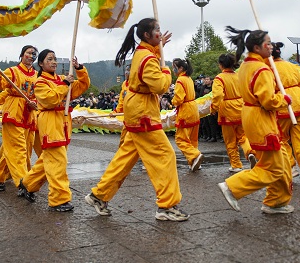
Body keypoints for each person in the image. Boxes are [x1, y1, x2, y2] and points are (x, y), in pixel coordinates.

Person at [84, 18, 189, 222]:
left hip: (138, 109)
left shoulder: (144, 54)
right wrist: (166, 69)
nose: (160, 32)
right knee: (165, 155)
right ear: (147, 36)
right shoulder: (148, 58)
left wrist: (159, 50)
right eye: (156, 30)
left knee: (126, 157)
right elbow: (160, 85)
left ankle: (99, 195)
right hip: (143, 113)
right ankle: (167, 206)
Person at [218, 27, 293, 215]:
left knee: (281, 160)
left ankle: (276, 201)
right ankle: (233, 187)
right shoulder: (260, 68)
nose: (271, 46)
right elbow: (267, 100)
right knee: (274, 168)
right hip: (260, 118)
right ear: (257, 48)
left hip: (252, 115)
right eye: (268, 43)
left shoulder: (246, 65)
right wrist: (284, 100)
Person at [18, 49, 90, 211]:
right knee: (57, 162)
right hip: (50, 122)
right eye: (49, 59)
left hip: (63, 123)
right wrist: (65, 85)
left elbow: (83, 86)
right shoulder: (41, 82)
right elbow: (50, 100)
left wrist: (79, 69)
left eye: (55, 59)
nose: (54, 62)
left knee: (48, 160)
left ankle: (27, 184)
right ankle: (58, 199)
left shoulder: (63, 79)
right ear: (41, 64)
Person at [0, 45, 39, 192]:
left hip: (29, 116)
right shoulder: (12, 71)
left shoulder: (37, 75)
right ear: (22, 55)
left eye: (34, 54)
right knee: (18, 150)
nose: (31, 55)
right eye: (29, 53)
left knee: (24, 149)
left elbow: (38, 95)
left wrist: (35, 102)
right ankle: (24, 183)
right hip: (14, 114)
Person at [271, 42, 300, 185]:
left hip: (282, 106)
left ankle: (290, 167)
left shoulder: (268, 69)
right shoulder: (292, 66)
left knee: (281, 140)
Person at [211, 53, 256, 173]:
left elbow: (218, 95)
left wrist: (214, 108)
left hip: (227, 110)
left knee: (230, 140)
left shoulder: (219, 78)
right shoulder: (239, 76)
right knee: (243, 136)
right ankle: (249, 152)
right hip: (241, 108)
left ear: (221, 65)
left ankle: (236, 164)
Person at [171, 58, 204, 172]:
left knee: (181, 139)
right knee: (193, 139)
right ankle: (194, 162)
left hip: (185, 111)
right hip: (193, 109)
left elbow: (179, 99)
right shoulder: (188, 78)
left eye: (174, 67)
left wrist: (173, 101)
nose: (173, 69)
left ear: (181, 68)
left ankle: (194, 155)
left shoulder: (180, 80)